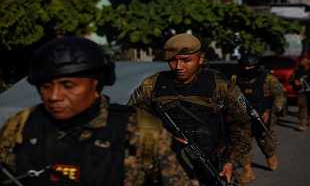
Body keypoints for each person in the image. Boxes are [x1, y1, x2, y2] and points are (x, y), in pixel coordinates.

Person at [0, 36, 191, 186]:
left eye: (68, 85)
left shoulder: (142, 132)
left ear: (96, 83)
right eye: (46, 86)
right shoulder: (20, 126)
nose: (54, 96)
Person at [127, 33, 251, 186]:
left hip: (210, 166)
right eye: (173, 61)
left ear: (200, 59)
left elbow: (242, 126)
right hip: (165, 167)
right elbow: (131, 119)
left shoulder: (222, 86)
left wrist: (230, 161)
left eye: (186, 61)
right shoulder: (151, 85)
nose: (179, 67)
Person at [231, 54, 285, 184]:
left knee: (265, 141)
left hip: (263, 115)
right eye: (245, 66)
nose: (248, 69)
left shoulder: (268, 79)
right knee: (241, 144)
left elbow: (279, 94)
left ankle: (270, 154)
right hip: (243, 116)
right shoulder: (235, 78)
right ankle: (248, 172)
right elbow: (230, 94)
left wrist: (274, 110)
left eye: (251, 66)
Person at [291, 54, 310, 131]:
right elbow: (292, 80)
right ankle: (302, 124)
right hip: (302, 91)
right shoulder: (297, 71)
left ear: (308, 61)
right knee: (302, 106)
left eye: (304, 60)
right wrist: (295, 83)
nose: (302, 61)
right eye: (301, 60)